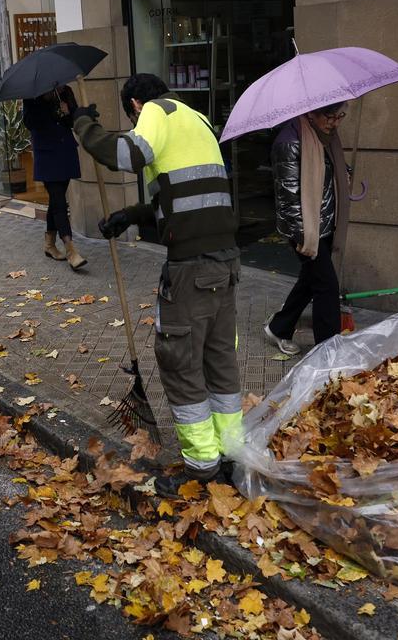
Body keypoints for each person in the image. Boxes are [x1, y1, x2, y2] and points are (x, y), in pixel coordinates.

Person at [72, 72, 241, 498]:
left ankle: (201, 469)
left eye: (132, 117)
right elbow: (182, 201)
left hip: (191, 269)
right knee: (218, 361)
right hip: (225, 263)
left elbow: (125, 154)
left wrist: (81, 123)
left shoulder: (155, 112)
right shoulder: (196, 119)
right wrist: (130, 215)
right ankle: (230, 456)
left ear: (134, 106)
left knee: (181, 361)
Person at [263, 102, 351, 354]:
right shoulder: (289, 142)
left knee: (310, 280)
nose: (335, 122)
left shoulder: (325, 137)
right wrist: (303, 236)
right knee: (327, 286)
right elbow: (288, 198)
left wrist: (343, 172)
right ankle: (327, 350)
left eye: (339, 116)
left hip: (325, 221)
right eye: (330, 116)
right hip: (305, 229)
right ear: (311, 113)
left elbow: (324, 176)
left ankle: (279, 327)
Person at [22, 85, 85, 270]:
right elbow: (30, 123)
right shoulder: (32, 96)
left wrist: (69, 112)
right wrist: (46, 104)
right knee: (59, 200)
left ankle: (49, 244)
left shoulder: (65, 91)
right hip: (47, 154)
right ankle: (70, 249)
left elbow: (74, 121)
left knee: (56, 200)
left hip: (65, 151)